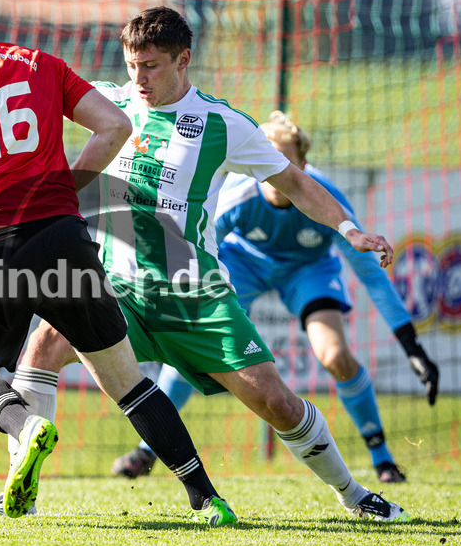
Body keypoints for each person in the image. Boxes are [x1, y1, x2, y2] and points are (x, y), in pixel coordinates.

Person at [0, 6, 408, 522]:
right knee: (43, 345)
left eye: (153, 65)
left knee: (277, 404)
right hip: (117, 287)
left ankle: (354, 494)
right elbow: (34, 80)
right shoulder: (110, 102)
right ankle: (18, 497)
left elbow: (294, 183)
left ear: (184, 60)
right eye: (132, 64)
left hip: (194, 296)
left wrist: (348, 229)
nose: (139, 78)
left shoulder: (223, 124)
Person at [0, 0, 237, 524]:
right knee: (126, 379)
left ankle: (26, 426)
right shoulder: (41, 64)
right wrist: (66, 187)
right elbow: (115, 126)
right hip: (64, 238)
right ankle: (206, 499)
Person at [112, 111, 440, 483]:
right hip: (244, 264)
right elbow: (195, 248)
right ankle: (147, 451)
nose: (275, 171)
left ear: (302, 165)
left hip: (308, 270)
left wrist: (414, 349)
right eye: (269, 160)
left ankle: (382, 459)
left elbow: (372, 275)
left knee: (335, 356)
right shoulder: (240, 199)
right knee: (191, 340)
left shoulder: (324, 198)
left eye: (286, 162)